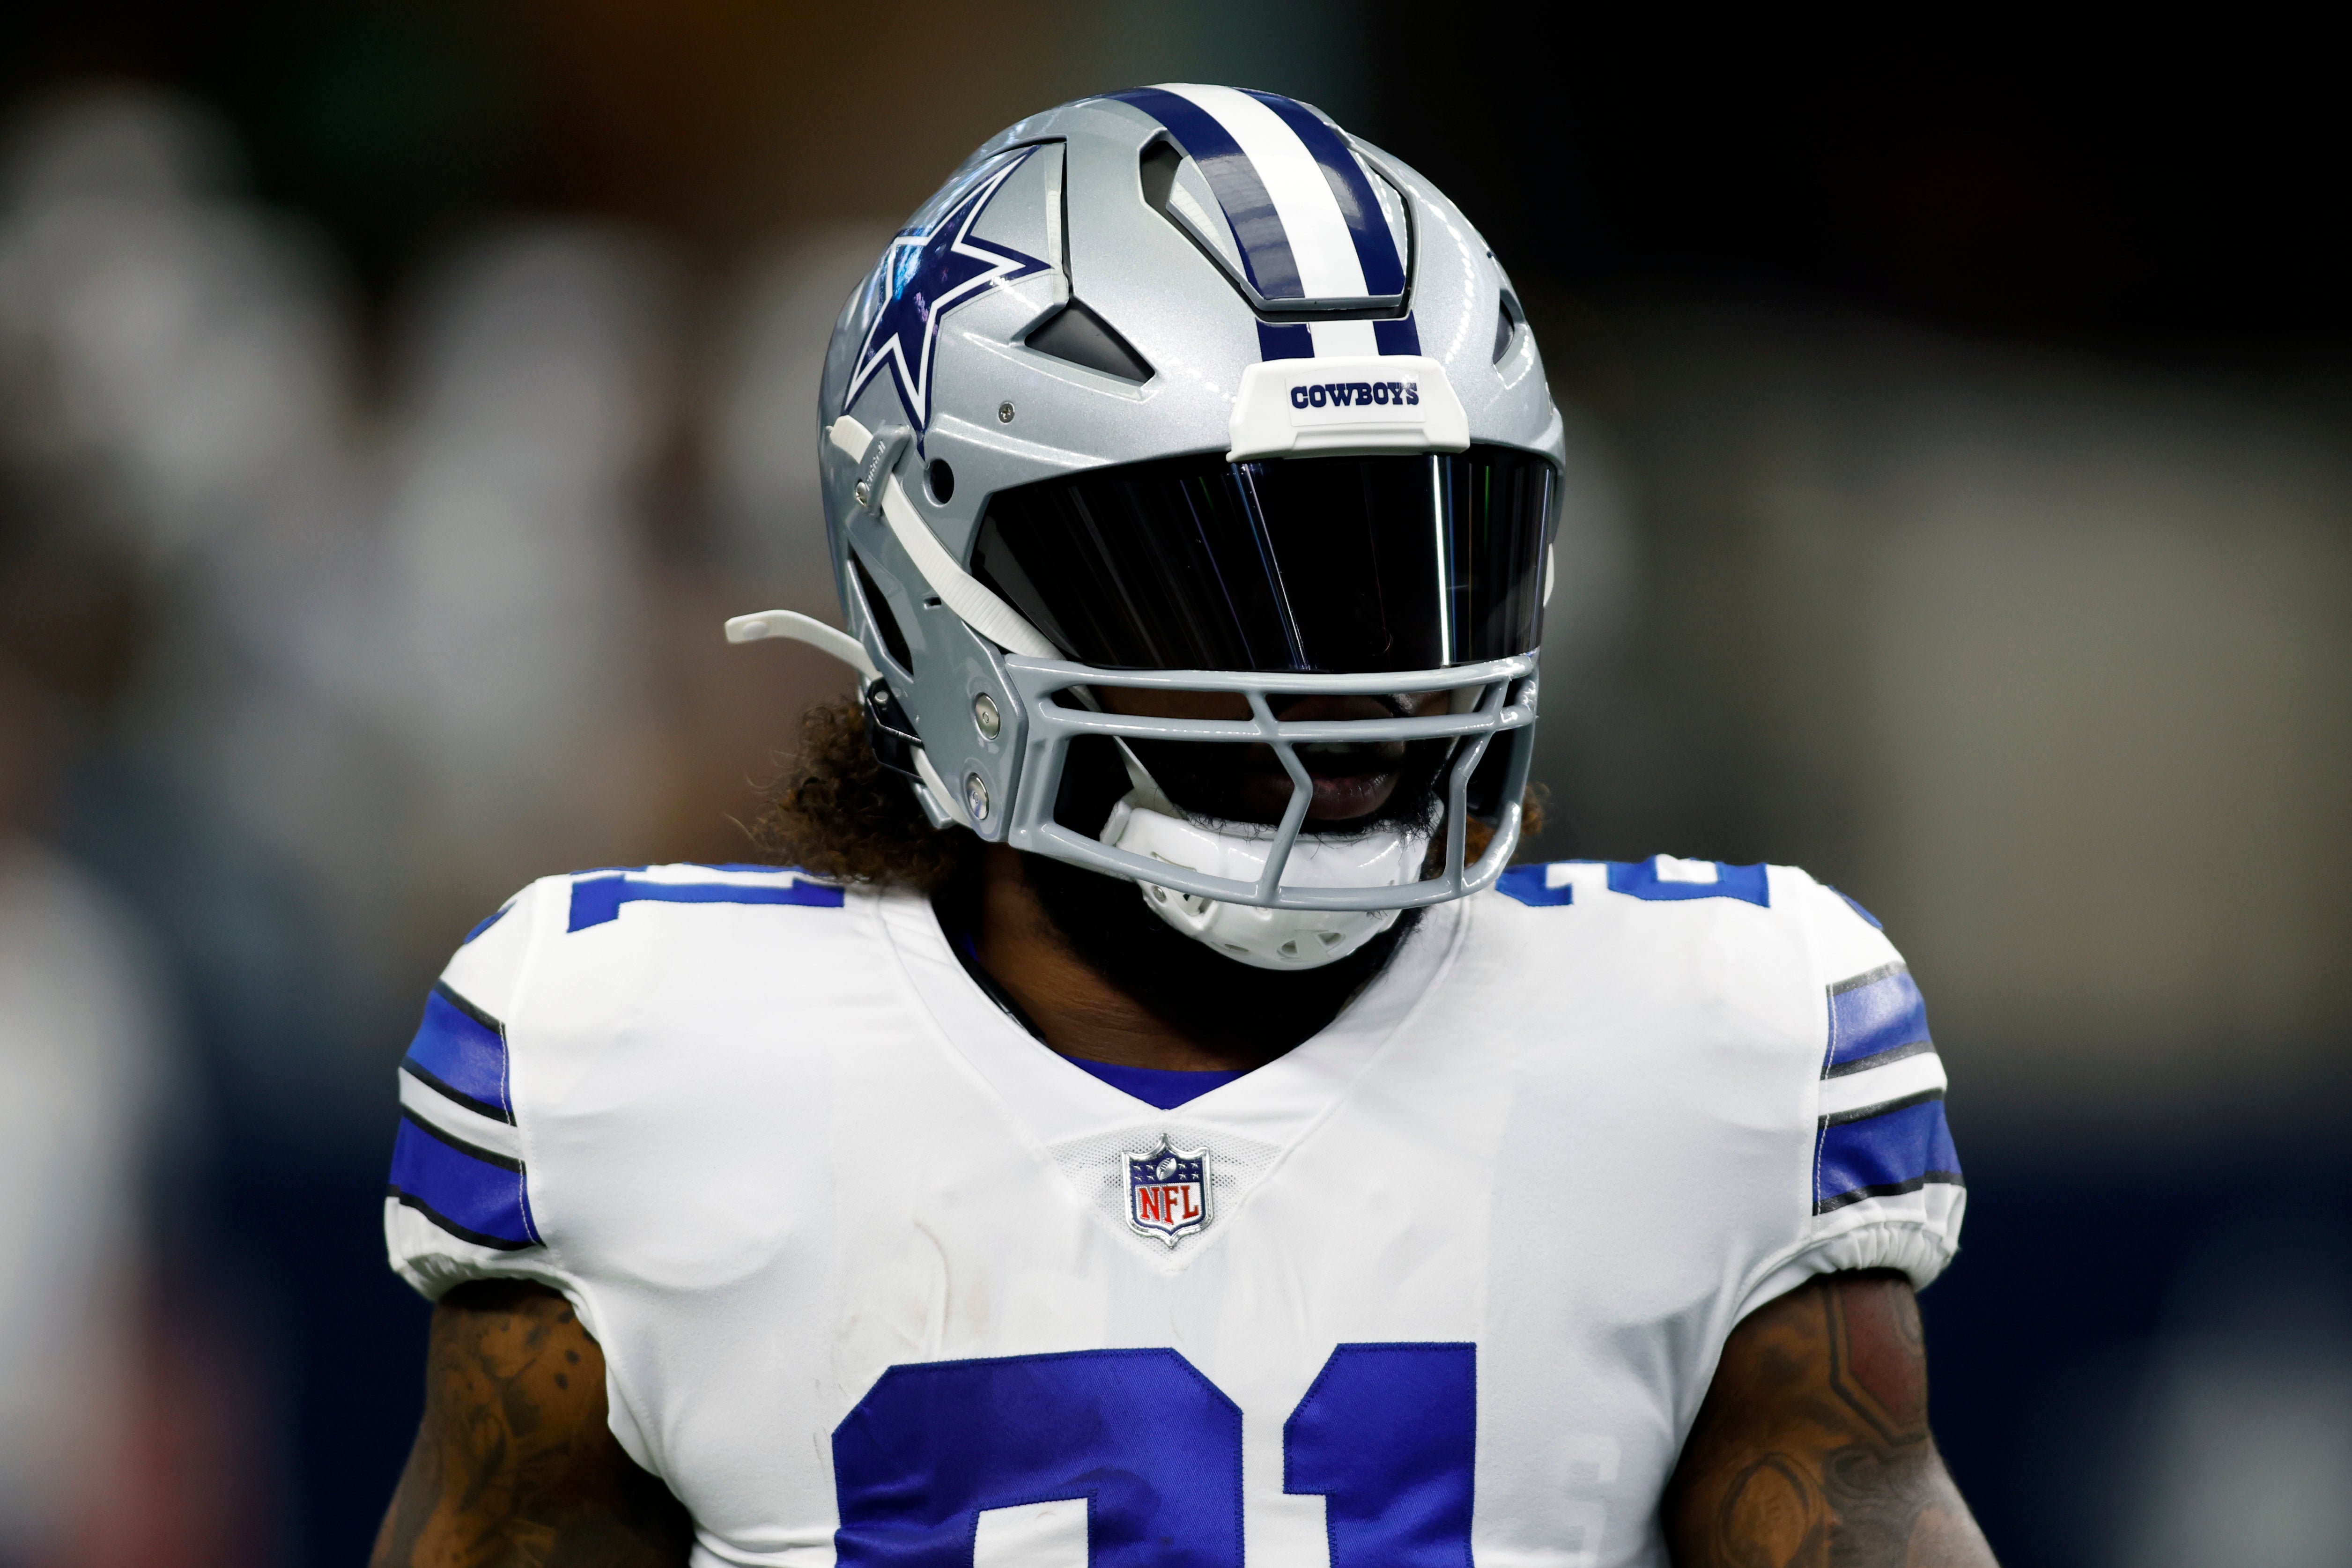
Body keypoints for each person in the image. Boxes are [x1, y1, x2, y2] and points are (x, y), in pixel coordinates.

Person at [371, 87, 1994, 1568]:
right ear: (943, 584)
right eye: (1205, 575)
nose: (1348, 684)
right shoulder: (636, 1069)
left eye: (1399, 564)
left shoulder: (1716, 1052)